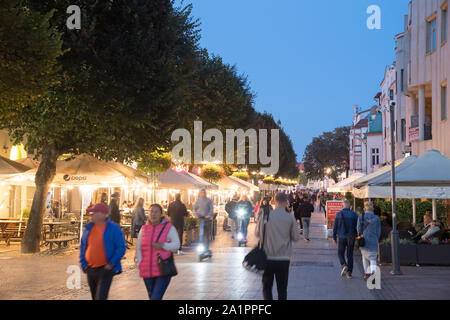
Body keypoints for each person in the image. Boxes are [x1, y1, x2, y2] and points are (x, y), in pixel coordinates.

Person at [255, 192, 301, 300]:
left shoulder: (266, 216)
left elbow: (257, 233)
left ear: (274, 201)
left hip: (267, 257)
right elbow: (296, 237)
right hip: (283, 258)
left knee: (267, 288)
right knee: (282, 289)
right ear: (286, 202)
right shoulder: (289, 218)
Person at [79, 203, 126, 300]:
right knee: (94, 295)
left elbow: (121, 247)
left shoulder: (113, 228)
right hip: (90, 268)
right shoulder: (88, 228)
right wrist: (84, 264)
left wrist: (111, 263)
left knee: (101, 296)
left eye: (95, 213)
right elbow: (83, 247)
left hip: (105, 268)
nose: (92, 215)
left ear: (104, 214)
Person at [136, 204, 180, 300]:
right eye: (151, 211)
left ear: (161, 214)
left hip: (162, 269)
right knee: (153, 297)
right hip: (147, 270)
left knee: (155, 298)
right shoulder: (143, 229)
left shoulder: (169, 228)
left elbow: (176, 245)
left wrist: (163, 246)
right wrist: (140, 262)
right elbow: (138, 247)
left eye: (156, 212)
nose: (153, 214)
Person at [333, 200, 358, 279]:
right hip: (351, 237)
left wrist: (334, 237)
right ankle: (349, 273)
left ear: (342, 206)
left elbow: (335, 227)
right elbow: (357, 227)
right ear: (349, 206)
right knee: (350, 254)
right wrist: (356, 236)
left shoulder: (338, 214)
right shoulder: (354, 215)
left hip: (342, 237)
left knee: (340, 253)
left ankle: (343, 264)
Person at [357, 201, 381, 281]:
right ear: (372, 208)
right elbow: (378, 231)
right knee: (373, 258)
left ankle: (367, 274)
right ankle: (373, 274)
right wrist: (376, 238)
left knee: (364, 257)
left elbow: (358, 228)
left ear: (365, 208)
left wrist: (360, 235)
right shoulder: (377, 218)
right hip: (373, 240)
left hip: (363, 239)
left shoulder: (361, 216)